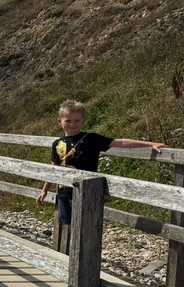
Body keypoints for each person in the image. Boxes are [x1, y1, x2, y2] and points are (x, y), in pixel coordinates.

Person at [36, 99, 165, 252]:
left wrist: (150, 144)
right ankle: (70, 256)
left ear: (83, 121)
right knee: (69, 225)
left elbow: (120, 143)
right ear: (60, 122)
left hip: (86, 192)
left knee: (85, 226)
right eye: (68, 120)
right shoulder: (57, 143)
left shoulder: (91, 139)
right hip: (64, 193)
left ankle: (84, 257)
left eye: (77, 120)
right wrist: (44, 190)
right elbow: (54, 169)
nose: (72, 124)